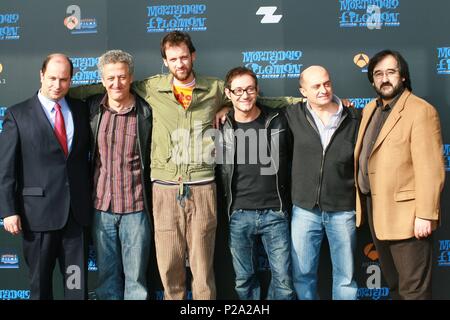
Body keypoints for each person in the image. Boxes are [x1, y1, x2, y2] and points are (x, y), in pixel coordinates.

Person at [355, 50, 445, 299]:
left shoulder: (420, 111)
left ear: (403, 76)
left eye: (390, 72)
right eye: (378, 74)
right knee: (395, 286)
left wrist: (426, 215)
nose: (384, 78)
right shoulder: (370, 110)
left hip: (409, 217)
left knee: (413, 291)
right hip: (377, 210)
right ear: (373, 80)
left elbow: (430, 168)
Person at [0, 53, 91, 299]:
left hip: (76, 218)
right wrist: (8, 210)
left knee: (76, 287)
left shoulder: (82, 110)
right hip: (37, 217)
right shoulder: (17, 115)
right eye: (52, 78)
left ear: (71, 80)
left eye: (63, 79)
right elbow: (5, 168)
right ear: (41, 75)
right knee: (40, 288)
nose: (57, 85)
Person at [217, 67, 295, 300]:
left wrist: (336, 102)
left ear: (257, 90)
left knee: (283, 282)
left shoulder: (277, 120)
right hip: (239, 214)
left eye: (249, 89)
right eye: (238, 90)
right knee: (244, 281)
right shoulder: (222, 126)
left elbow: (311, 104)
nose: (245, 95)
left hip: (275, 213)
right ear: (228, 93)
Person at [286, 66, 359, 299]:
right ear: (303, 91)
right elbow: (254, 102)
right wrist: (226, 105)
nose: (323, 89)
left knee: (345, 278)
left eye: (326, 83)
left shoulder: (354, 117)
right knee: (302, 275)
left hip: (343, 208)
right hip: (305, 209)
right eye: (316, 86)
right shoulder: (292, 114)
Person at [87, 50, 152, 300]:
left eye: (122, 77)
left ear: (131, 77)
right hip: (101, 208)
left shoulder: (146, 113)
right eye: (111, 78)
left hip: (135, 209)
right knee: (106, 279)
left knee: (136, 280)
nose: (117, 83)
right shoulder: (93, 110)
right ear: (102, 80)